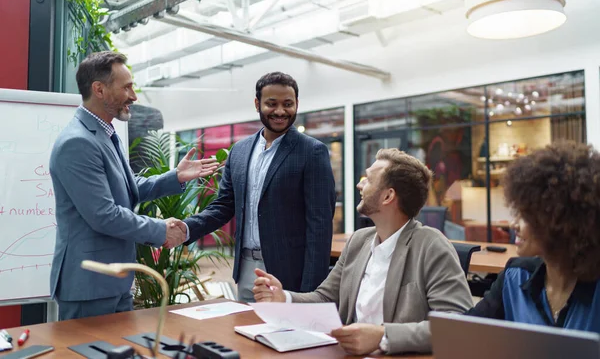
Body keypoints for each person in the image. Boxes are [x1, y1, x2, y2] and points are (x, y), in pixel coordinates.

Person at [49, 51, 218, 320]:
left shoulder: (104, 134)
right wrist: (161, 230)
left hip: (114, 278)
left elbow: (127, 188)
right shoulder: (78, 142)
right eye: (126, 87)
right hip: (90, 284)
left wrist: (175, 177)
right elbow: (104, 215)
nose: (134, 96)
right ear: (99, 89)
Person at [253, 148, 472, 355]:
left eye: (368, 179)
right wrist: (285, 298)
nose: (360, 185)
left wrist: (383, 337)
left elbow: (457, 326)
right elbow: (326, 297)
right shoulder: (359, 240)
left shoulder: (432, 246)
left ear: (388, 196)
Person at [183, 72, 336, 302]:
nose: (281, 111)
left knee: (287, 335)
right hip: (245, 269)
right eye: (271, 104)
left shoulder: (312, 152)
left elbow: (320, 226)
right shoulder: (240, 151)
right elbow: (224, 205)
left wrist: (311, 292)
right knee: (245, 333)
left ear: (297, 104)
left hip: (289, 273)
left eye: (288, 104)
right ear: (257, 104)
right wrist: (186, 229)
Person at [467, 141, 600, 332]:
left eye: (526, 216)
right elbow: (466, 331)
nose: (514, 224)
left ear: (560, 222)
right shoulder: (515, 276)